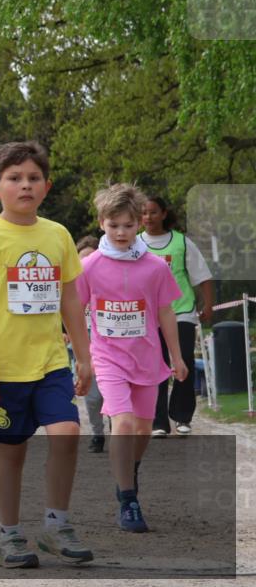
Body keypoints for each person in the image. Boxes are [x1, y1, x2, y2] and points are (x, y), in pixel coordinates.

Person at [0, 141, 93, 569]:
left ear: (47, 187)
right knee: (12, 450)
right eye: (15, 178)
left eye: (34, 178)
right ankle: (9, 536)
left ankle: (56, 525)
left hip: (51, 361)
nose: (25, 185)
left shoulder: (58, 235)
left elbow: (71, 299)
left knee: (67, 433)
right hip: (3, 367)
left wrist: (84, 357)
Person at [76, 183, 188, 533]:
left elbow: (167, 312)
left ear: (139, 223)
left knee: (142, 429)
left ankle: (130, 470)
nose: (121, 232)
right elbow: (75, 309)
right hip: (108, 358)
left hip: (147, 359)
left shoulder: (155, 267)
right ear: (101, 223)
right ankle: (128, 500)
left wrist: (178, 357)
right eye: (113, 226)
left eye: (127, 225)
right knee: (122, 424)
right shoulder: (90, 266)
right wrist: (82, 356)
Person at [141, 196, 214, 437]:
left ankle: (182, 416)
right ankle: (158, 421)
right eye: (143, 213)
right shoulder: (136, 244)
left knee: (184, 362)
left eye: (153, 212)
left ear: (163, 214)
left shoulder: (182, 243)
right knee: (155, 366)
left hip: (180, 311)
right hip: (148, 316)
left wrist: (208, 305)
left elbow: (203, 276)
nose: (148, 217)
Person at [74, 235, 106, 453]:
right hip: (84, 341)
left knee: (113, 392)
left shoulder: (111, 282)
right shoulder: (73, 285)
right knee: (93, 397)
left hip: (108, 340)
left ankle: (120, 429)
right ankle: (97, 433)